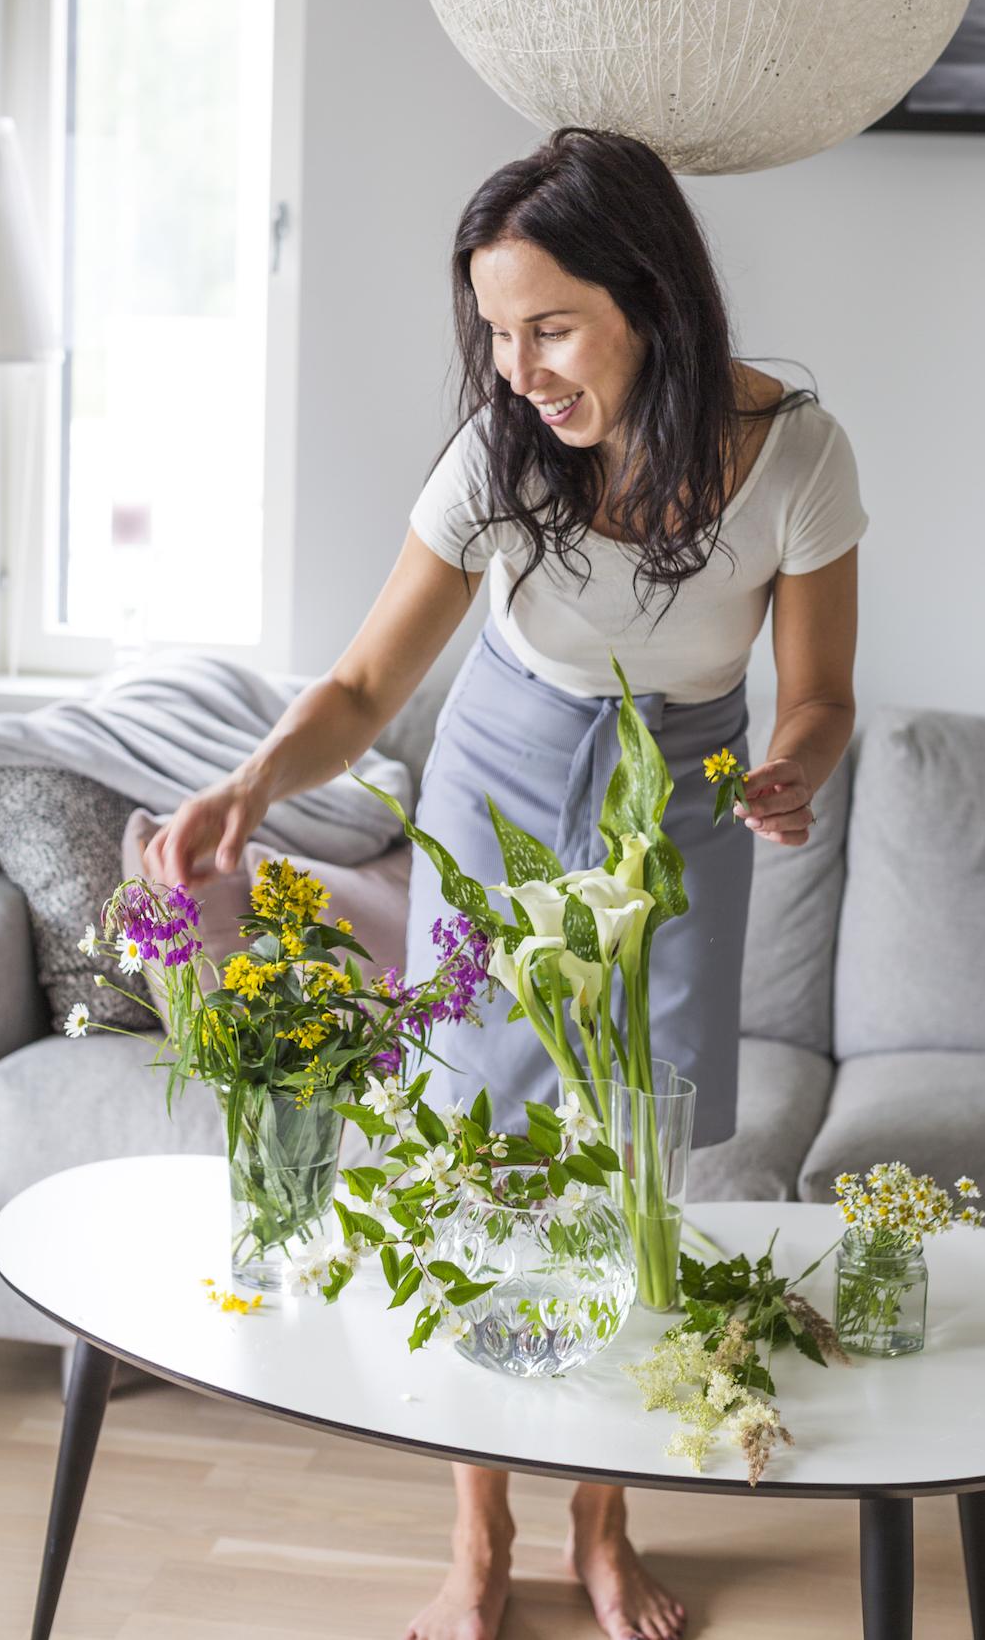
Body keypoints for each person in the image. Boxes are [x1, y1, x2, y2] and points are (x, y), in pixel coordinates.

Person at [146, 125, 868, 1640]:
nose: (521, 365)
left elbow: (823, 692)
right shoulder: (499, 451)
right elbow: (361, 678)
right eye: (495, 329)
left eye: (551, 325)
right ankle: (476, 1540)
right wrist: (250, 783)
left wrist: (791, 764)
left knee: (634, 1176)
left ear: (650, 301)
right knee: (477, 1172)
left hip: (685, 792)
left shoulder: (795, 451)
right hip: (505, 770)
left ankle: (599, 1532)